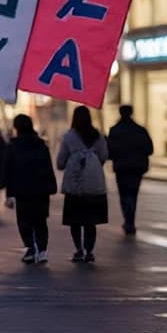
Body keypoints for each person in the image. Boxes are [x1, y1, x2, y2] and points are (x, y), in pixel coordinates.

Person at [56, 106, 109, 263]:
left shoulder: (68, 137)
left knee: (75, 220)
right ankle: (90, 251)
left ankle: (79, 249)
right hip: (95, 185)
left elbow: (60, 162)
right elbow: (104, 156)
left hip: (75, 186)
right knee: (90, 221)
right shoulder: (98, 136)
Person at [3, 114, 57, 264]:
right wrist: (51, 186)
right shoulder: (40, 144)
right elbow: (48, 167)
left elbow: (8, 170)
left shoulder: (13, 146)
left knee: (24, 220)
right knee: (40, 220)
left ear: (16, 127)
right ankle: (43, 250)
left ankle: (31, 249)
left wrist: (9, 193)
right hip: (41, 189)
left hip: (22, 190)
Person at [106, 104, 153, 235]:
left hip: (121, 167)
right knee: (133, 194)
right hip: (137, 167)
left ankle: (128, 220)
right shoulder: (140, 130)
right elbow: (149, 149)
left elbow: (110, 151)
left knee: (124, 194)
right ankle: (130, 220)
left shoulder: (115, 130)